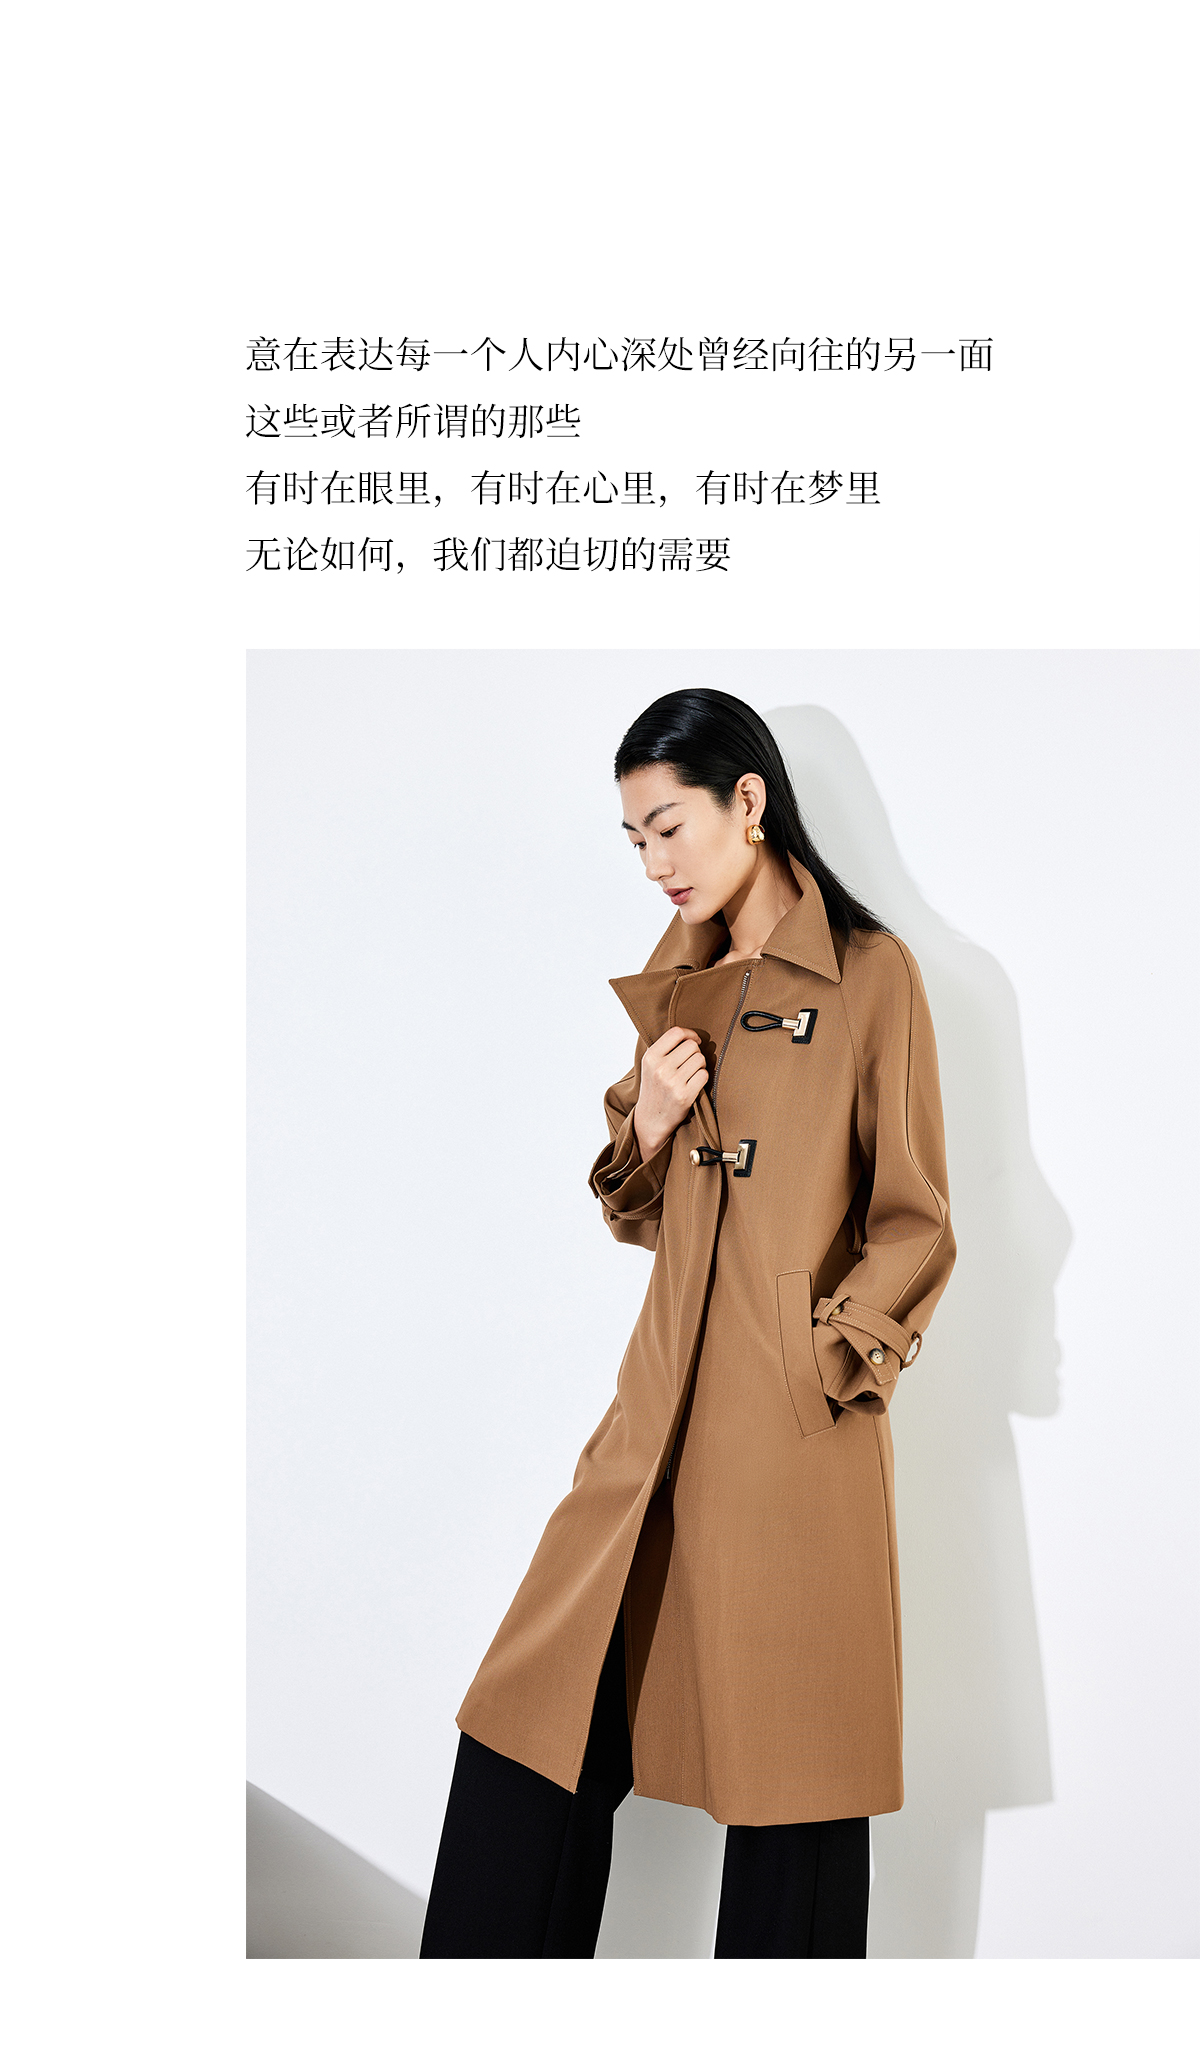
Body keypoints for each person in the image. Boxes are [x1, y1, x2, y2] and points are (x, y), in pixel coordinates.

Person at [419, 689, 956, 1959]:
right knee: (530, 1719)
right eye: (634, 840)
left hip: (789, 1435)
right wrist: (650, 1123)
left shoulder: (872, 975)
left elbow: (916, 1216)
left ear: (748, 802)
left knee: (794, 1775)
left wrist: (819, 1360)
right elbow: (643, 1211)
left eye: (668, 826)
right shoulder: (681, 985)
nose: (654, 862)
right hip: (652, 1415)